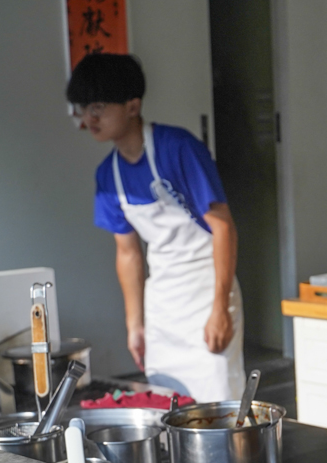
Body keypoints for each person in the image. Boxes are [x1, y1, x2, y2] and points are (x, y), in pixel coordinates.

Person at [67, 53, 244, 401]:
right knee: (168, 401)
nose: (90, 118)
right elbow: (128, 254)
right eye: (84, 108)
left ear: (132, 106)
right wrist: (135, 324)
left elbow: (223, 228)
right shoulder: (108, 176)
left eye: (99, 107)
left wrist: (220, 308)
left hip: (206, 288)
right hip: (163, 299)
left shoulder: (178, 148)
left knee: (219, 400)